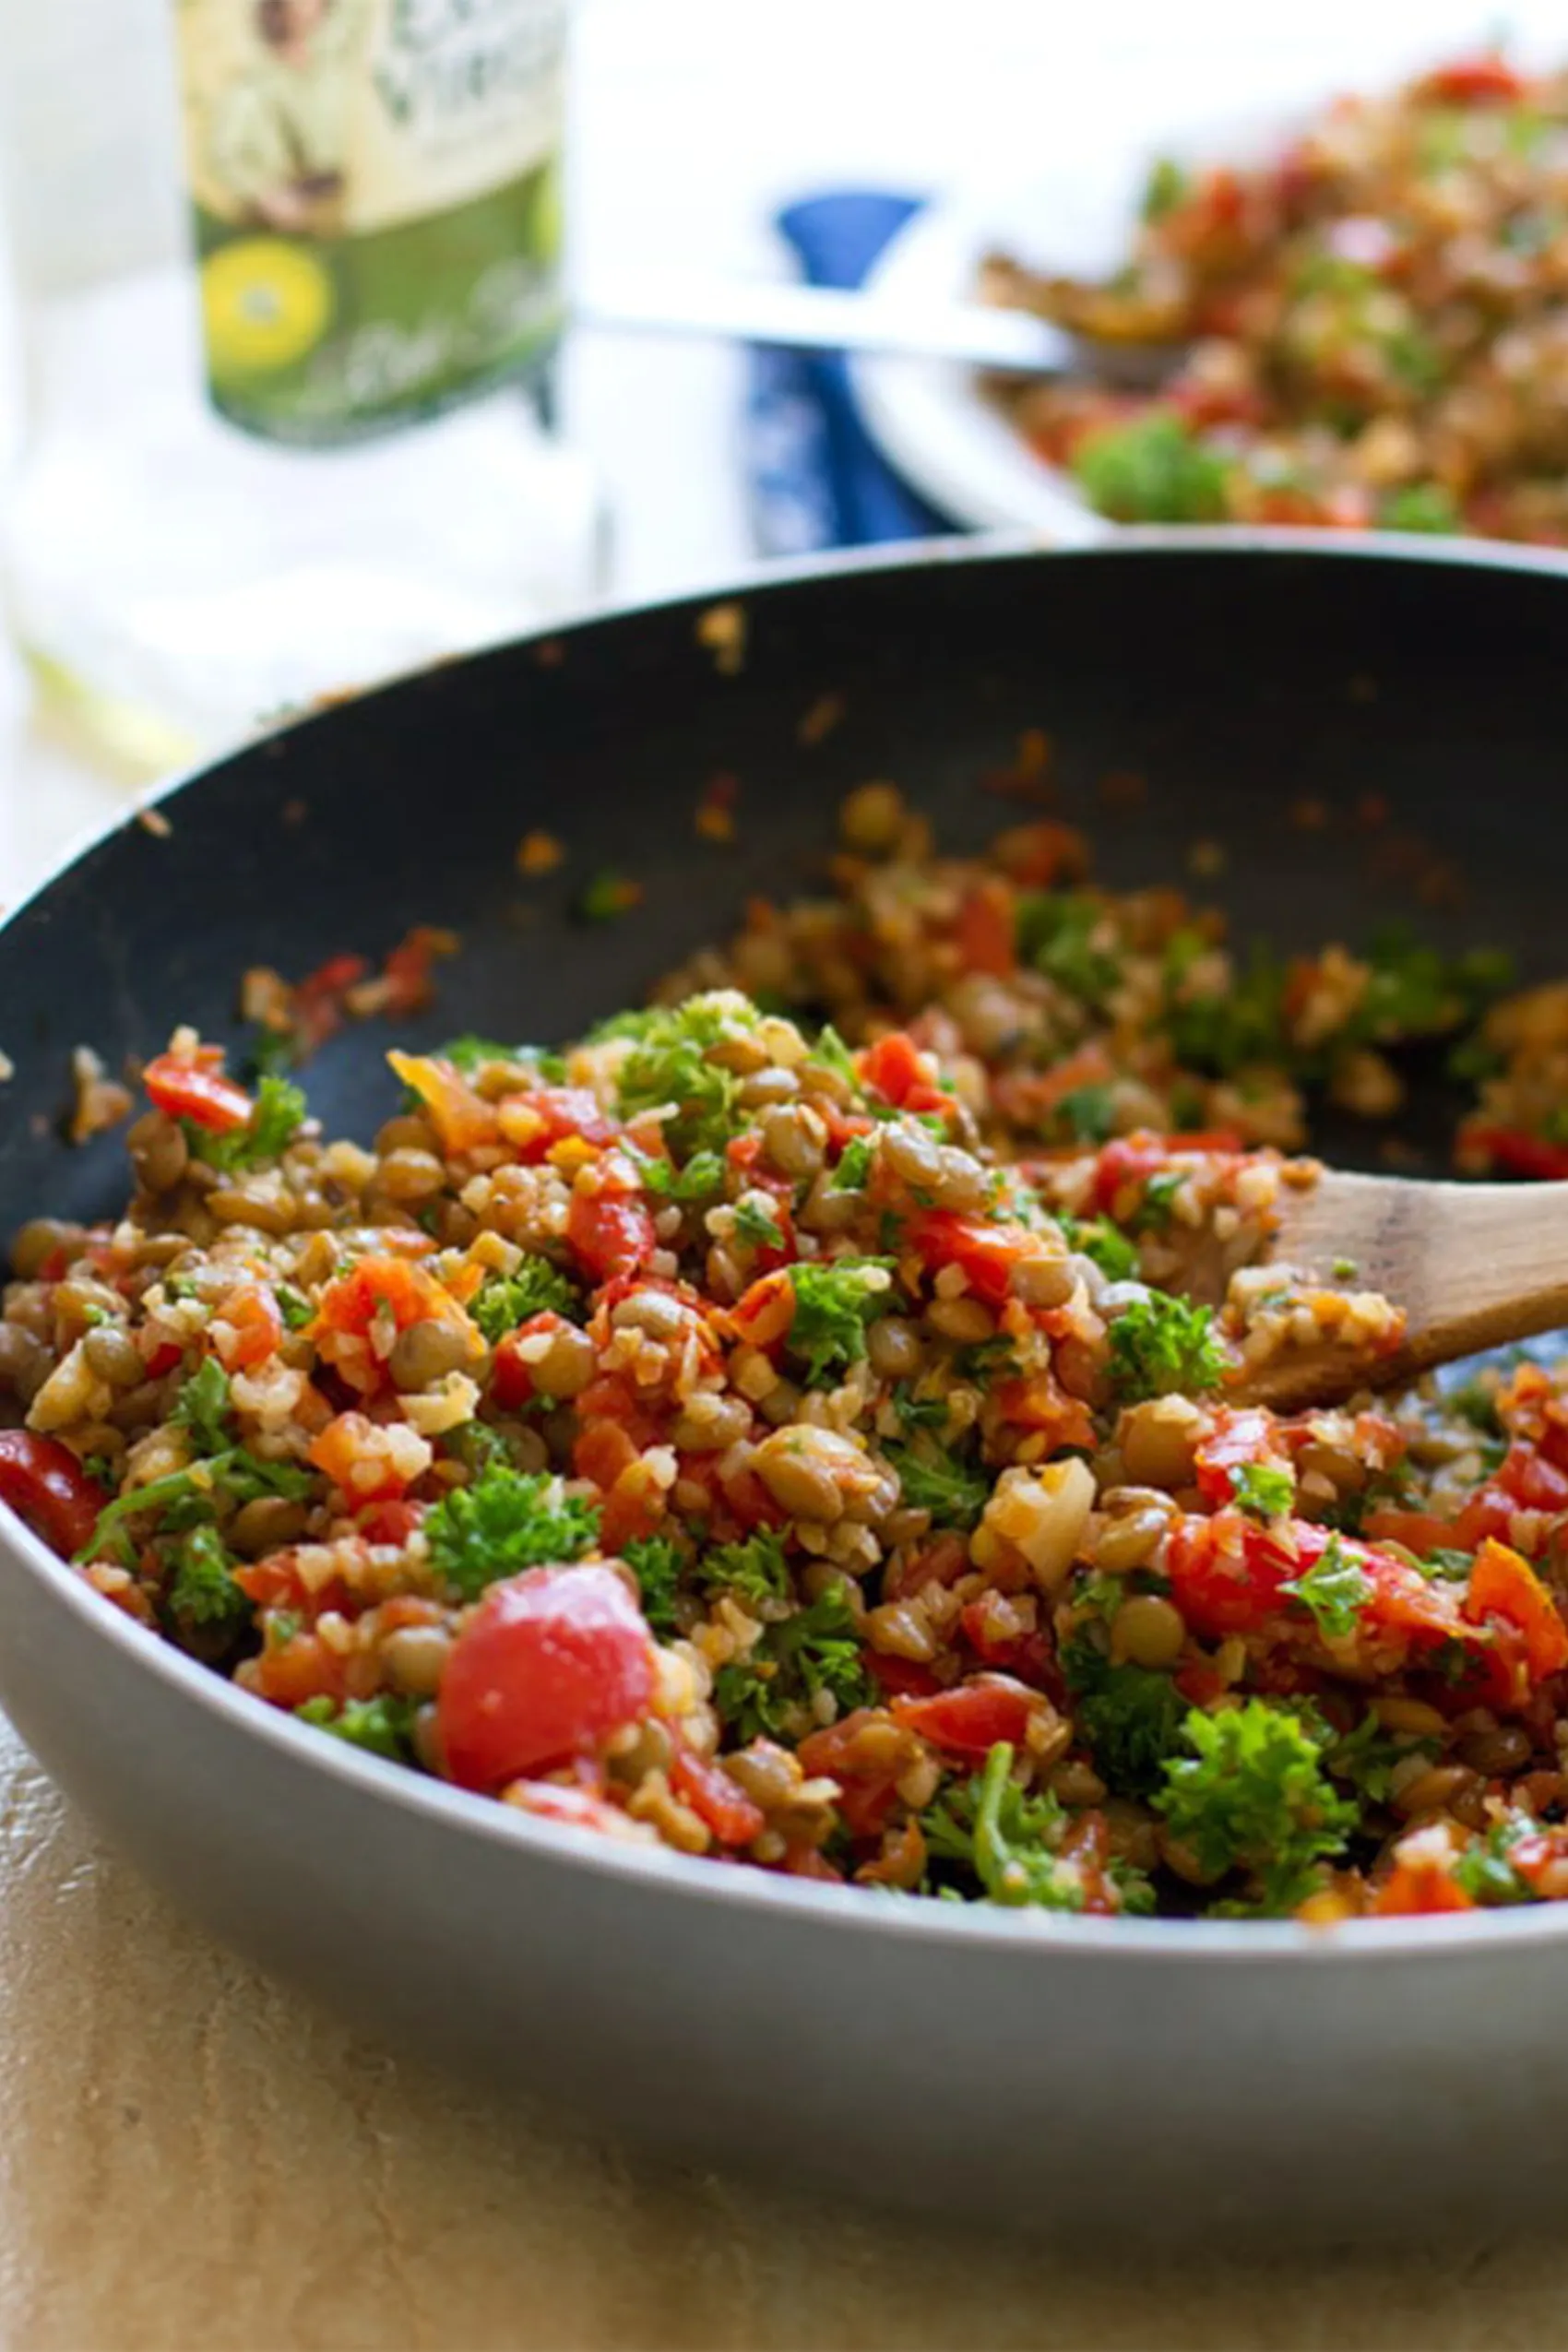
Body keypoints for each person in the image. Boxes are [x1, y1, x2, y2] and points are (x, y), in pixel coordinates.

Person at [206, 0, 368, 237]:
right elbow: (224, 157)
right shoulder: (252, 89)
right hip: (289, 217)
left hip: (344, 202)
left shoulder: (331, 55)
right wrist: (267, 194)